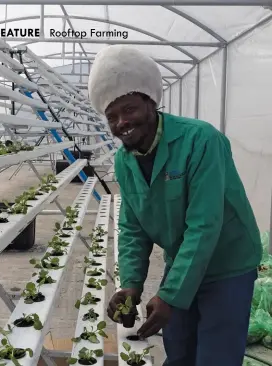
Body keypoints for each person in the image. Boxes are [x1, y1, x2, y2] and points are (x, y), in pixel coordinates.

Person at [87, 45, 263, 366]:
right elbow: (132, 227)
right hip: (181, 259)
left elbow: (204, 224)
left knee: (216, 356)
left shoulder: (200, 140)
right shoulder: (125, 161)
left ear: (151, 102)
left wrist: (169, 296)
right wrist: (131, 285)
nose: (122, 122)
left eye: (129, 109)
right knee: (178, 349)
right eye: (112, 117)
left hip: (227, 263)